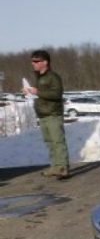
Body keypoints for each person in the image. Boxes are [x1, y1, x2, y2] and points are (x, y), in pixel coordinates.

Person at [23, 50, 70, 179]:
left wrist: (37, 92)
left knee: (57, 141)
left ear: (45, 62)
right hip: (43, 114)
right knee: (49, 142)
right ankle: (55, 166)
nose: (33, 63)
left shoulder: (53, 77)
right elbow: (42, 94)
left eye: (36, 61)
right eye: (32, 61)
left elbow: (56, 94)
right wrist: (30, 92)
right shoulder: (39, 77)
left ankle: (62, 167)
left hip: (53, 114)